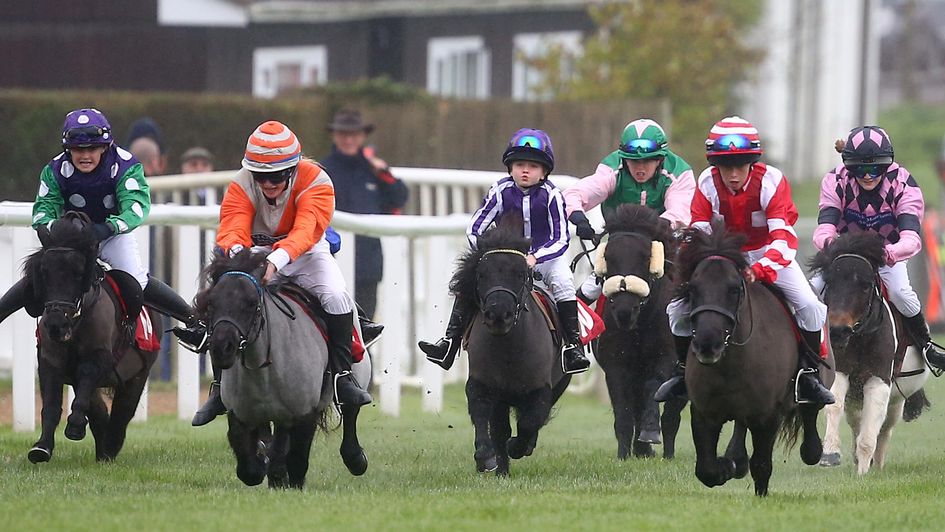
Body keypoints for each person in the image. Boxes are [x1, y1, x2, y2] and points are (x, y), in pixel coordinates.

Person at [184, 120, 372, 426]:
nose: (268, 184)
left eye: (276, 176)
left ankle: (342, 377)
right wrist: (240, 260)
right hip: (255, 255)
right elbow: (232, 228)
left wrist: (278, 260)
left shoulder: (316, 181)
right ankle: (219, 388)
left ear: (292, 168)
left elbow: (305, 230)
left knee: (337, 297)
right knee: (226, 297)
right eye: (261, 176)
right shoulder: (242, 183)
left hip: (306, 253)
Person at [655, 116, 835, 405]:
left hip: (768, 253)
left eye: (740, 165)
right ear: (716, 165)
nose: (734, 174)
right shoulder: (706, 182)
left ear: (753, 161)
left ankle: (809, 375)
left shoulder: (772, 182)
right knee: (676, 310)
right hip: (723, 256)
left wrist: (760, 269)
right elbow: (698, 231)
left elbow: (783, 240)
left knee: (811, 307)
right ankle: (681, 372)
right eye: (726, 166)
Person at [0, 108, 202, 346]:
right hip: (72, 237)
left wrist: (107, 228)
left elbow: (136, 207)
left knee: (138, 281)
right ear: (68, 150)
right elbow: (43, 210)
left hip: (111, 234)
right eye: (78, 150)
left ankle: (194, 321)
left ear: (105, 147)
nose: (85, 156)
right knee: (37, 275)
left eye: (92, 149)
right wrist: (50, 230)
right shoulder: (54, 170)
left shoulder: (126, 165)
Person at [418, 128, 591, 375]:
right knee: (469, 279)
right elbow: (475, 227)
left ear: (544, 172)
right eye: (519, 164)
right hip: (505, 260)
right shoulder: (499, 191)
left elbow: (560, 238)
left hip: (543, 258)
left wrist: (535, 257)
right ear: (510, 167)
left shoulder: (552, 195)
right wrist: (486, 255)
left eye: (533, 166)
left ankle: (573, 348)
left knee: (564, 282)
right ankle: (449, 342)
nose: (525, 170)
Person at [811, 125, 945, 369]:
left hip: (886, 255)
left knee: (901, 293)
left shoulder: (904, 184)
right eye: (860, 169)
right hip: (844, 256)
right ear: (849, 167)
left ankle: (926, 346)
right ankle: (806, 353)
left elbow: (911, 239)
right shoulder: (835, 180)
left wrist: (887, 253)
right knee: (812, 290)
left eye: (875, 168)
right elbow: (824, 229)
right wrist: (836, 249)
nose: (868, 175)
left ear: (887, 165)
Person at [563, 118, 695, 302]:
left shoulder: (680, 173)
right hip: (621, 244)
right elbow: (576, 193)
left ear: (660, 159)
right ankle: (575, 324)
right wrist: (578, 217)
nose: (640, 168)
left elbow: (680, 212)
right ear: (624, 159)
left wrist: (650, 227)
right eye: (634, 161)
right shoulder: (611, 169)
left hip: (665, 241)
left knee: (691, 287)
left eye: (647, 161)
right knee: (588, 292)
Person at [320, 109, 408, 319]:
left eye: (354, 134)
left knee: (366, 321)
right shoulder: (323, 170)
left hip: (368, 261)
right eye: (343, 134)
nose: (348, 139)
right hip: (332, 259)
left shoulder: (373, 169)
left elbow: (400, 198)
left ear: (362, 137)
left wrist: (384, 173)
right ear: (335, 135)